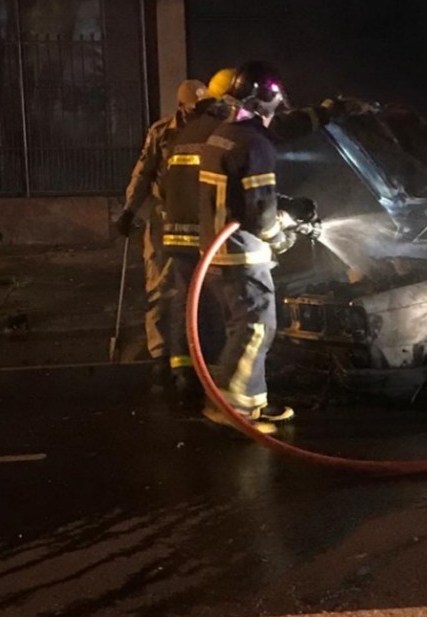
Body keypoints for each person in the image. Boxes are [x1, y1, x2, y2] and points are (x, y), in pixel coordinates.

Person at [197, 61, 299, 434]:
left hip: (218, 251)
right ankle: (233, 409)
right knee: (256, 327)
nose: (276, 110)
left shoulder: (222, 135)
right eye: (273, 101)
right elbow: (260, 211)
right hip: (242, 254)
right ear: (263, 99)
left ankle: (249, 401)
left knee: (240, 328)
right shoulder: (255, 144)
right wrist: (281, 236)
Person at [116, 79, 206, 382]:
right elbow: (143, 173)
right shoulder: (161, 133)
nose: (196, 114)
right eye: (192, 109)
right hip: (162, 219)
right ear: (181, 107)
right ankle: (159, 351)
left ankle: (195, 351)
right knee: (158, 284)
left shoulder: (212, 129)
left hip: (198, 220)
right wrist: (129, 210)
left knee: (195, 287)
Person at [159, 69, 236, 393]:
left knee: (185, 301)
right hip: (206, 232)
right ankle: (222, 372)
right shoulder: (221, 133)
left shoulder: (185, 132)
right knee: (222, 302)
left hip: (176, 231)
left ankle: (183, 369)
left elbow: (165, 183)